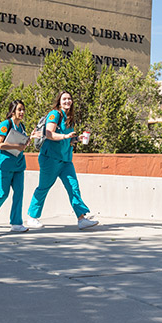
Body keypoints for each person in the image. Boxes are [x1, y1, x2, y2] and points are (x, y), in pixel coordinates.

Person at [25, 91, 99, 230]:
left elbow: (68, 138)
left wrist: (77, 139)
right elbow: (49, 134)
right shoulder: (55, 114)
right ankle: (32, 217)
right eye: (64, 99)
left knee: (73, 187)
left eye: (69, 99)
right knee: (44, 187)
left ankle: (81, 218)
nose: (67, 101)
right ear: (59, 101)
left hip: (65, 159)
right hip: (50, 158)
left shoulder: (69, 118)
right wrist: (65, 137)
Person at [0, 99, 31, 232]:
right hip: (5, 164)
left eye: (23, 109)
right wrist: (18, 145)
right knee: (3, 193)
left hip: (18, 164)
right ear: (12, 111)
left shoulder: (22, 126)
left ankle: (16, 223)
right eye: (19, 109)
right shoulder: (5, 124)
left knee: (19, 193)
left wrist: (27, 141)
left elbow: (20, 144)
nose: (22, 112)